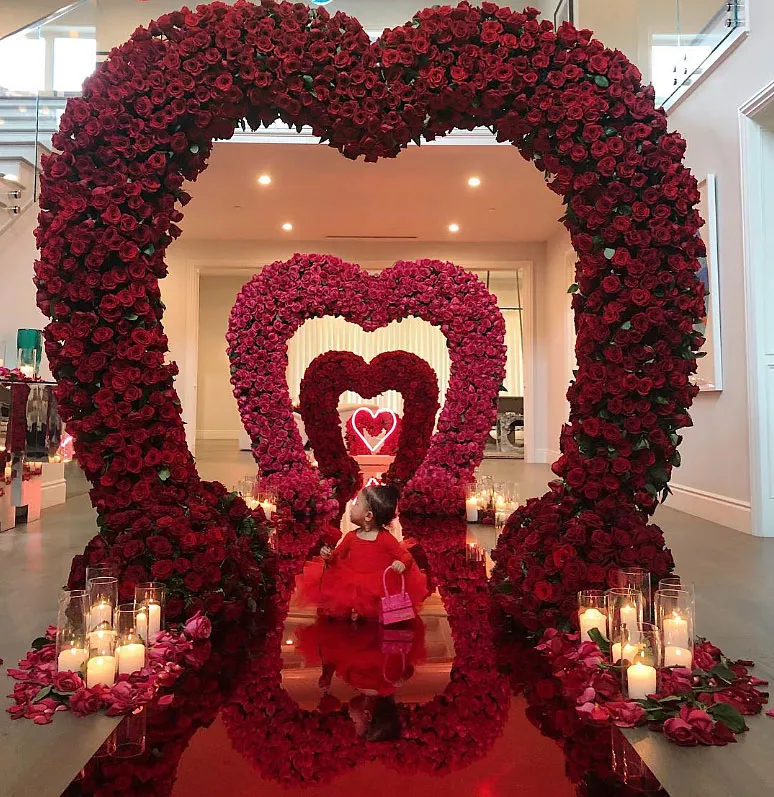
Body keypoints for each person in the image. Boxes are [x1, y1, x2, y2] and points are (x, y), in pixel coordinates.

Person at [295, 485, 429, 620]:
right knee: (348, 600)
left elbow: (406, 555)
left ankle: (368, 617)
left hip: (377, 585)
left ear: (368, 515)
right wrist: (329, 556)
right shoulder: (351, 537)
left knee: (373, 606)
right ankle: (354, 614)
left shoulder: (385, 539)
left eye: (357, 504)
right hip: (350, 581)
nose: (352, 507)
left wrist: (402, 563)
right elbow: (338, 555)